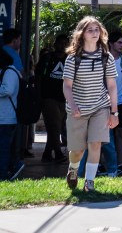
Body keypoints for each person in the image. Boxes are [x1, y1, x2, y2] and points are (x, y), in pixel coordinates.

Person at [62, 16, 119, 192]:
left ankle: (89, 182)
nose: (95, 33)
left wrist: (114, 112)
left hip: (100, 106)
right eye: (90, 30)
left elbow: (111, 85)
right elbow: (67, 86)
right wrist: (73, 105)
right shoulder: (73, 58)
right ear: (82, 34)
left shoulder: (106, 57)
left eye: (97, 30)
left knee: (95, 144)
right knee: (78, 150)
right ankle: (73, 168)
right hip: (77, 108)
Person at [36, 34, 68, 164]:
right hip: (48, 97)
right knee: (54, 124)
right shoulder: (47, 58)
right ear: (55, 45)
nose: (63, 46)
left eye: (65, 43)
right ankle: (58, 153)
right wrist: (39, 95)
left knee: (54, 127)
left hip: (63, 98)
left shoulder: (69, 60)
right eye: (60, 43)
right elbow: (38, 77)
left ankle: (47, 153)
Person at [108, 31, 122, 176]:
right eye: (119, 42)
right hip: (105, 102)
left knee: (121, 133)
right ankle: (106, 165)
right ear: (111, 43)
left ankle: (120, 164)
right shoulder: (103, 59)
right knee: (106, 136)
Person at [0, 48, 20, 181]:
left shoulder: (10, 72)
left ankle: (4, 173)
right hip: (3, 117)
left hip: (6, 118)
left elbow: (7, 90)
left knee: (4, 148)